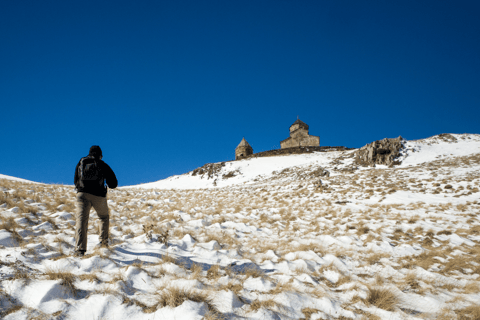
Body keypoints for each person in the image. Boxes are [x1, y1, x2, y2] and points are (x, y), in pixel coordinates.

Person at [73, 145, 118, 256]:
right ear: (100, 155)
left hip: (82, 194)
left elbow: (75, 180)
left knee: (81, 221)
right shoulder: (102, 164)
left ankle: (80, 249)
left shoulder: (81, 162)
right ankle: (103, 243)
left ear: (89, 153)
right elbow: (113, 184)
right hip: (99, 196)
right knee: (103, 217)